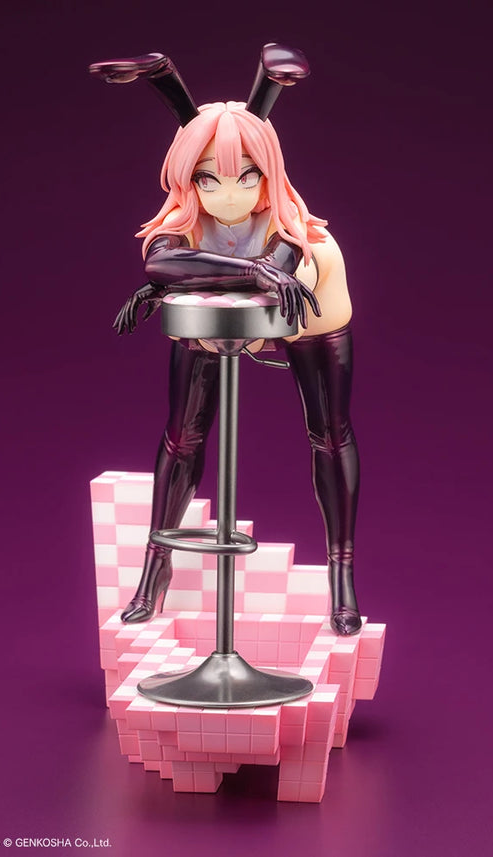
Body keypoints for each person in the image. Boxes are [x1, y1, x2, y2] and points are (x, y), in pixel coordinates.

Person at [91, 47, 362, 635]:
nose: (230, 195)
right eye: (208, 177)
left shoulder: (289, 224)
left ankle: (342, 579)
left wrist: (199, 275)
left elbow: (278, 268)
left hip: (310, 311)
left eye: (248, 176)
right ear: (188, 177)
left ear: (270, 174)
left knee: (329, 433)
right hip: (229, 309)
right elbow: (161, 263)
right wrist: (244, 271)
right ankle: (155, 571)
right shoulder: (184, 218)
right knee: (182, 435)